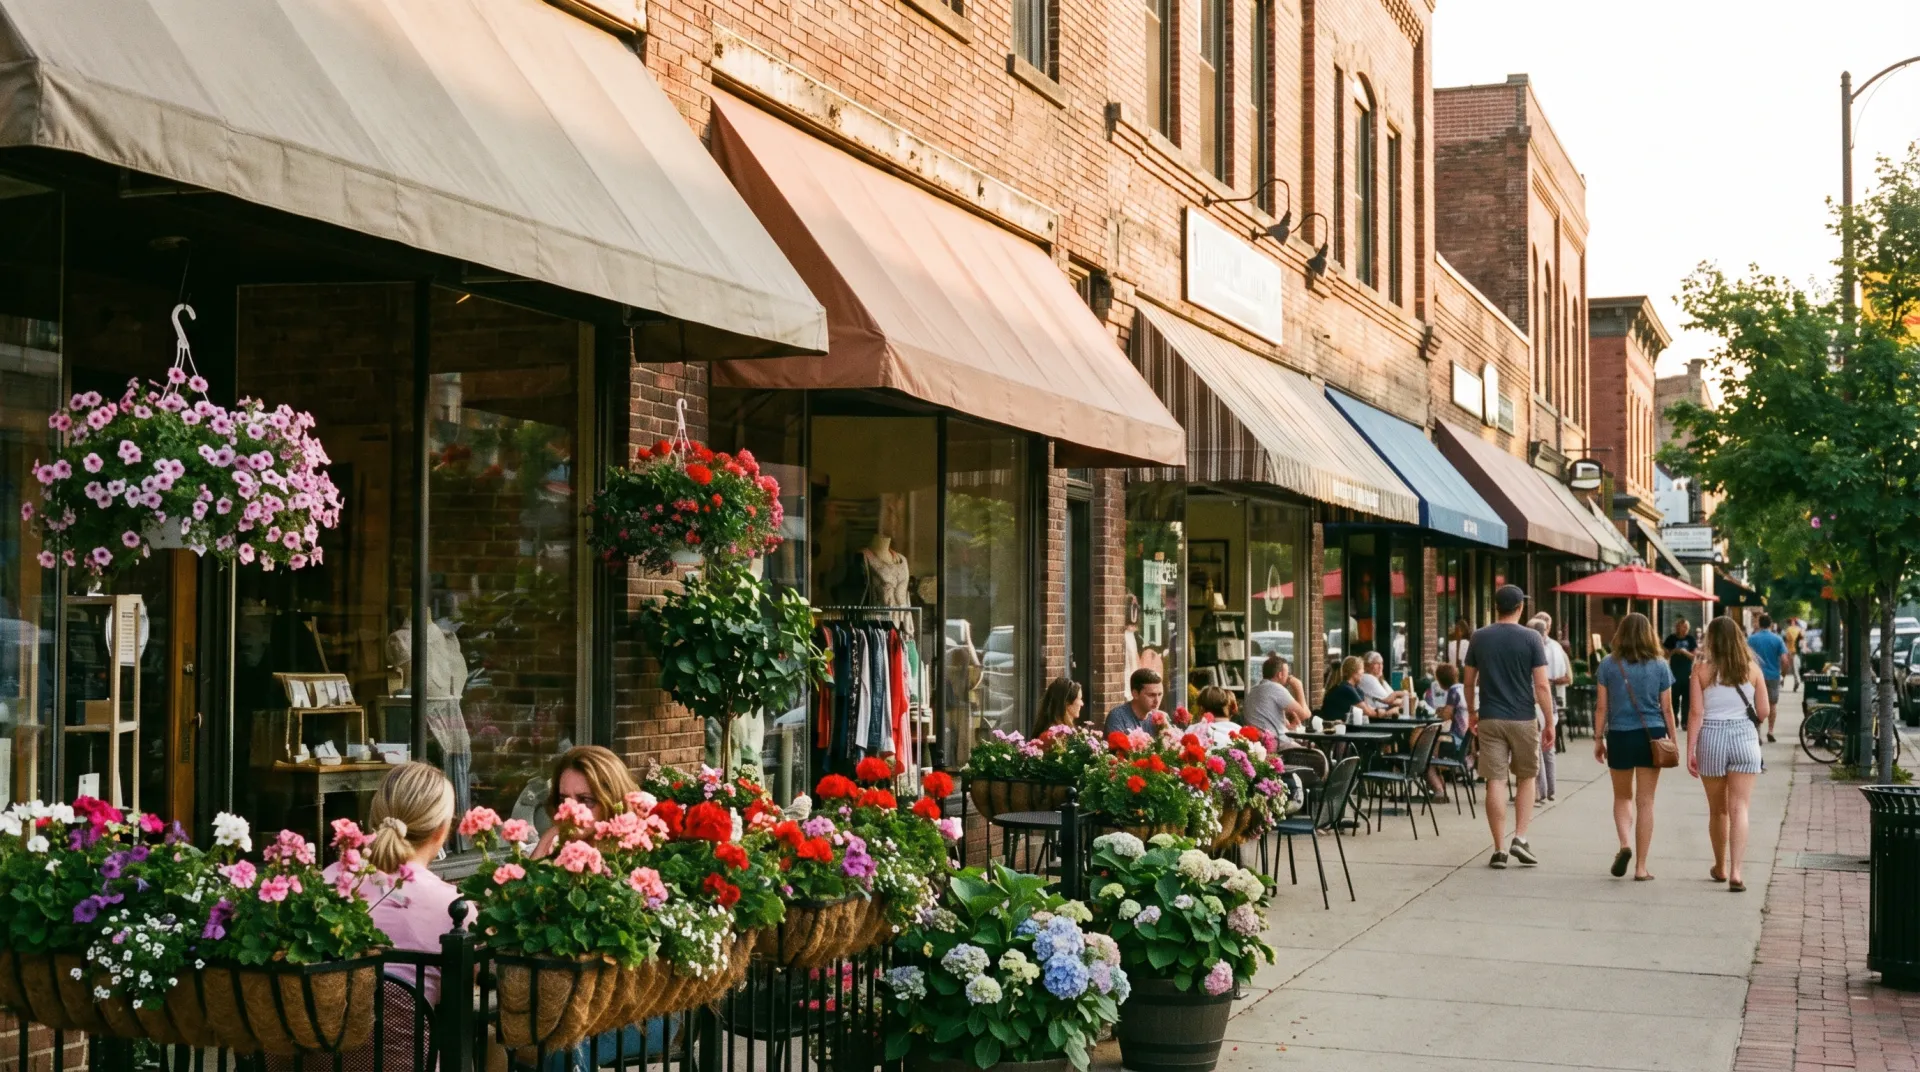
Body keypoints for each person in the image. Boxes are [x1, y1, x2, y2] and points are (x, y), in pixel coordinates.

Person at [1463, 585, 1555, 869]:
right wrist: (1549, 721)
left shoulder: (1479, 637)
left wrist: (1471, 713)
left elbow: (1469, 682)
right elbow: (1541, 685)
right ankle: (1521, 837)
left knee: (1496, 780)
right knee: (1526, 777)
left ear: (1495, 607)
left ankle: (1499, 849)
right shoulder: (1531, 638)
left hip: (1490, 716)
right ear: (1520, 608)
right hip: (1523, 717)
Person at [1593, 614, 1677, 882]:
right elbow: (1667, 709)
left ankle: (1624, 844)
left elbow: (1602, 707)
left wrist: (1598, 738)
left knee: (1622, 797)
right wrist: (1673, 739)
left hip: (1619, 734)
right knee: (1646, 801)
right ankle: (1641, 868)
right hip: (1652, 735)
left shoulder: (1608, 664)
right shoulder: (1661, 665)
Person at [1693, 616, 1771, 892]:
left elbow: (1695, 713)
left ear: (1711, 640)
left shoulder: (1701, 670)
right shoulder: (1752, 669)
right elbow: (1763, 712)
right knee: (1740, 808)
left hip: (1711, 736)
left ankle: (1720, 866)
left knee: (1718, 810)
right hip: (1744, 738)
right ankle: (1738, 871)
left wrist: (1691, 749)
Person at [536, 744, 641, 858]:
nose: (572, 811)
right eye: (564, 800)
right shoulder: (553, 849)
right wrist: (545, 842)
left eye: (585, 800)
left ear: (612, 800)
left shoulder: (634, 857)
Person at [1531, 614, 1573, 803]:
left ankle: (1538, 792)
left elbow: (1537, 682)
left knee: (1536, 749)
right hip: (1553, 700)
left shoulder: (1534, 649)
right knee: (1548, 748)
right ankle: (1551, 790)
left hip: (1537, 702)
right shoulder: (1557, 648)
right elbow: (1568, 676)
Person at [1425, 663, 1469, 796]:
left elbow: (1446, 715)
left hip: (1455, 742)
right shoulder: (1462, 688)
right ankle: (1438, 787)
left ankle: (1438, 790)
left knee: (1423, 754)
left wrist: (1440, 712)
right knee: (1428, 749)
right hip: (1464, 741)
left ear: (1440, 681)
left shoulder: (1453, 692)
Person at [1746, 614, 1788, 743]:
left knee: (1754, 704)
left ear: (1759, 623)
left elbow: (1745, 657)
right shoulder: (1777, 639)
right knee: (1772, 704)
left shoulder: (1751, 639)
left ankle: (1757, 733)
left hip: (1755, 676)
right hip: (1773, 676)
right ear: (1770, 624)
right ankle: (1770, 730)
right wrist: (1783, 674)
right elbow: (1785, 660)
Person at [1243, 654, 1300, 741]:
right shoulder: (1276, 688)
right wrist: (1299, 686)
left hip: (1261, 742)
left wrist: (1291, 725)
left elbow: (1280, 725)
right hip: (1278, 743)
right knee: (1316, 752)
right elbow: (1305, 714)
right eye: (1287, 673)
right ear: (1280, 674)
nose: (1289, 676)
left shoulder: (1254, 690)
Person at [1319, 656, 1385, 725]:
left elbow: (1368, 709)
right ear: (1354, 672)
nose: (1363, 672)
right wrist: (1388, 713)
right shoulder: (1346, 688)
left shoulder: (1356, 688)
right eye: (1361, 669)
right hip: (1337, 729)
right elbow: (1368, 712)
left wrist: (1380, 711)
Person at [1663, 619, 1699, 730]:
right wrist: (1674, 651)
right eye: (1680, 626)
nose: (1682, 629)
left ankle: (1685, 722)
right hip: (1673, 672)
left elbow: (1694, 656)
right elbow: (1665, 655)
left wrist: (1684, 652)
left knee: (1686, 699)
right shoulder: (1671, 638)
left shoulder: (1691, 639)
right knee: (1673, 698)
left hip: (1687, 672)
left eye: (1685, 627)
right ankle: (1674, 720)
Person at [1106, 668, 1164, 734]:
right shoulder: (1118, 717)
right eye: (1151, 695)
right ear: (1135, 694)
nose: (1157, 700)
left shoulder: (1161, 718)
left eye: (1160, 694)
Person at [1357, 652, 1415, 717]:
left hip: (1385, 713)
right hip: (1376, 716)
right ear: (1367, 666)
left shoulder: (1381, 681)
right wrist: (1402, 695)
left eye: (1381, 663)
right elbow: (1390, 700)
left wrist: (1403, 699)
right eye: (1376, 663)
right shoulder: (1367, 677)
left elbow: (1394, 699)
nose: (1380, 666)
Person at [1782, 616, 1804, 692]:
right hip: (1797, 651)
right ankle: (1796, 681)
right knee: (1795, 668)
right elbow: (1802, 640)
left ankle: (1782, 680)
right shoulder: (1799, 630)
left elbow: (1785, 640)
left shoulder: (1788, 630)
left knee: (1785, 667)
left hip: (1789, 651)